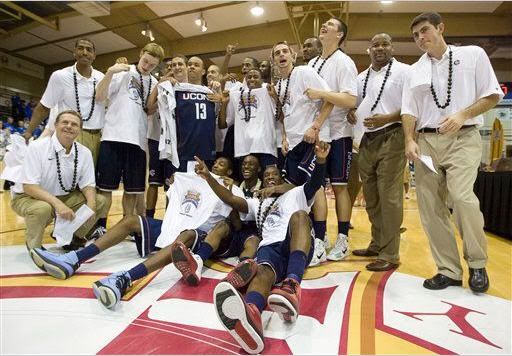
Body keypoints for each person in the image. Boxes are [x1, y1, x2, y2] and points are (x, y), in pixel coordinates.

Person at [30, 157, 259, 301]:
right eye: (214, 163)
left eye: (221, 165)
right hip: (175, 225)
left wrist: (219, 187)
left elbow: (236, 222)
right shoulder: (190, 178)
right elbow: (174, 205)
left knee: (183, 236)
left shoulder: (232, 189)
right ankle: (75, 258)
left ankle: (126, 278)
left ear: (229, 173)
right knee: (131, 220)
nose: (214, 166)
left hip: (198, 234)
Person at [194, 140, 329, 354]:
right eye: (266, 177)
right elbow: (230, 198)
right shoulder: (258, 203)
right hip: (269, 248)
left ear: (281, 179)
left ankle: (292, 284)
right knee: (262, 271)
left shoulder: (296, 194)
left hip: (295, 241)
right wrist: (208, 176)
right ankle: (252, 316)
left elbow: (315, 183)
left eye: (274, 176)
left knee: (301, 217)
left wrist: (320, 161)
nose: (269, 178)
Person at [402, 12, 503, 293]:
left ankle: (478, 263)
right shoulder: (414, 70)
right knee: (430, 207)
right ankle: (449, 269)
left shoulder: (473, 55)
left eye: (425, 30)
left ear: (440, 28)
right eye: (416, 35)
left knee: (461, 197)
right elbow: (409, 110)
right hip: (426, 143)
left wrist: (462, 114)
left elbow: (493, 94)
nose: (421, 38)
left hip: (463, 136)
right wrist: (409, 141)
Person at [10, 110, 108, 260]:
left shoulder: (84, 153)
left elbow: (88, 185)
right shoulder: (38, 147)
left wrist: (92, 206)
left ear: (79, 130)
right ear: (55, 125)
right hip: (29, 197)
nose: (69, 126)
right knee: (43, 208)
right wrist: (58, 205)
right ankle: (34, 248)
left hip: (65, 196)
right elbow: (29, 186)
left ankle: (73, 238)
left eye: (74, 124)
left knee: (100, 201)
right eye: (65, 122)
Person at [351, 33, 410, 271]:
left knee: (390, 197)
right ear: (369, 49)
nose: (380, 48)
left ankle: (390, 253)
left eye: (385, 44)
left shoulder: (404, 71)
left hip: (393, 135)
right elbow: (356, 105)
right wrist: (350, 113)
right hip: (367, 139)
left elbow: (411, 106)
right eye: (375, 44)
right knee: (372, 198)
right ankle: (377, 243)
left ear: (392, 47)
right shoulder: (361, 77)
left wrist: (388, 117)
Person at [304, 18, 358, 264]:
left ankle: (343, 239)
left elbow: (350, 100)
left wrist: (322, 94)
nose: (324, 26)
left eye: (330, 24)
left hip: (338, 133)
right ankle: (321, 238)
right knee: (316, 188)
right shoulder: (313, 62)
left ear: (340, 35)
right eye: (323, 24)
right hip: (317, 133)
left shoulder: (344, 62)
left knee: (339, 187)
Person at [95, 43, 164, 226]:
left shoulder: (155, 83)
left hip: (139, 142)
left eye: (152, 65)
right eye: (145, 61)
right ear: (140, 54)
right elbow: (100, 97)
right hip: (113, 136)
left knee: (133, 190)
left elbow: (149, 110)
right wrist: (110, 72)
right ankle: (101, 226)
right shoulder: (122, 71)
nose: (147, 66)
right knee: (105, 188)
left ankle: (126, 226)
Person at [23, 39, 106, 166]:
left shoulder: (102, 78)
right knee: (67, 181)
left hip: (97, 136)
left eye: (89, 49)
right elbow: (43, 107)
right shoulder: (60, 76)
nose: (84, 52)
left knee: (89, 181)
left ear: (94, 55)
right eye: (80, 48)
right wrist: (29, 132)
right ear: (74, 52)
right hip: (70, 134)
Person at [219, 68, 277, 170]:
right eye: (249, 77)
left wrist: (274, 96)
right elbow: (223, 125)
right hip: (244, 149)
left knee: (269, 181)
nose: (252, 79)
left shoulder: (268, 93)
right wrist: (224, 104)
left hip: (265, 148)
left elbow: (280, 115)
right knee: (247, 184)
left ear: (262, 80)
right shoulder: (237, 96)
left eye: (255, 77)